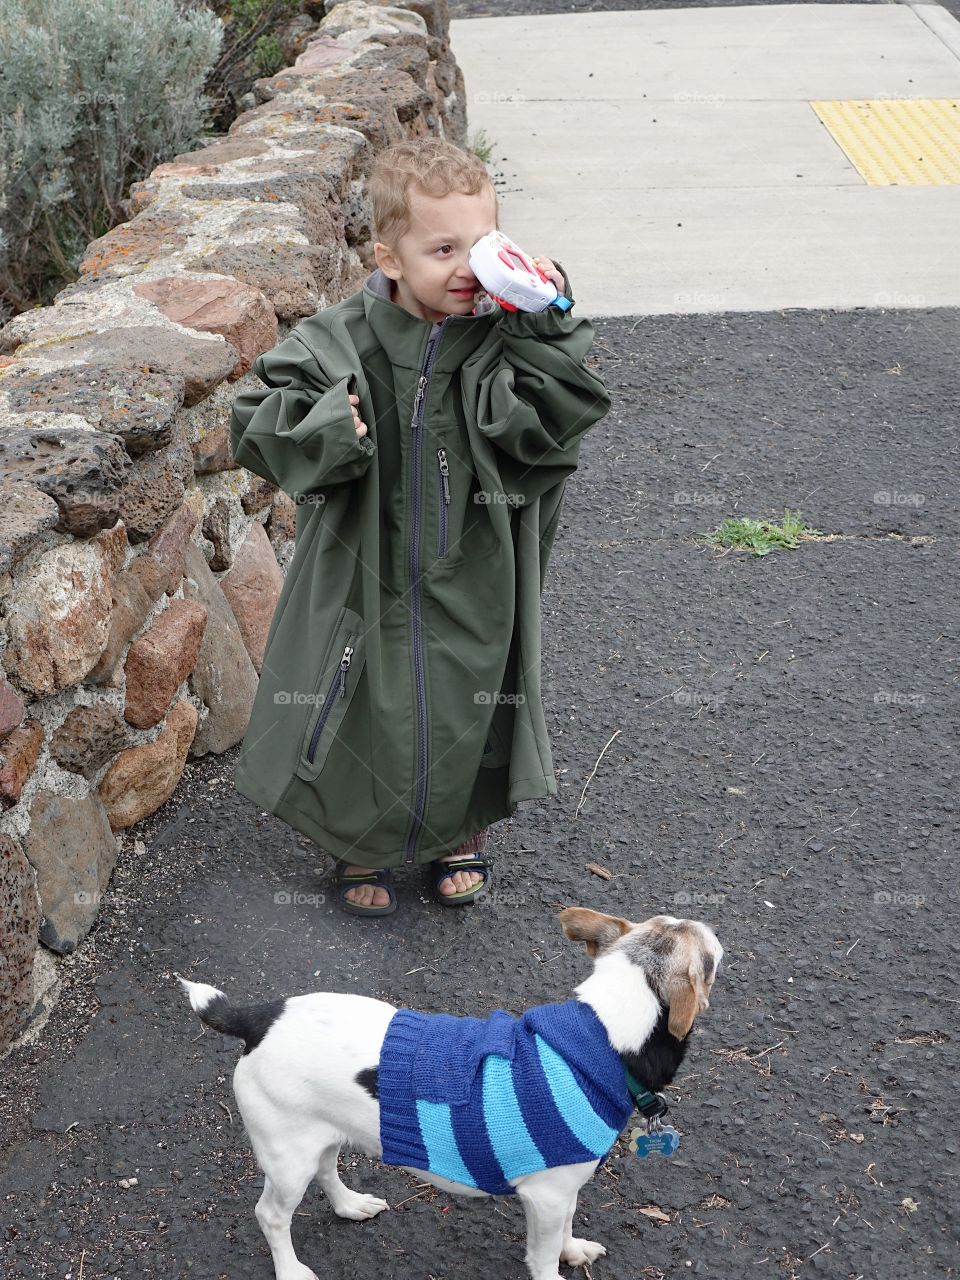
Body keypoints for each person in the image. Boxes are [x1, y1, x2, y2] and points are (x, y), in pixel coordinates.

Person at [228, 137, 611, 917]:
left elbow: (560, 414)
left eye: (483, 245)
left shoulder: (505, 340)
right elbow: (259, 419)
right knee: (358, 694)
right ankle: (358, 843)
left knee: (471, 686)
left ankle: (455, 833)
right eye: (443, 249)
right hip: (361, 561)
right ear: (389, 257)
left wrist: (550, 318)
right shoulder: (341, 339)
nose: (468, 266)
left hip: (475, 561)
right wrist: (333, 423)